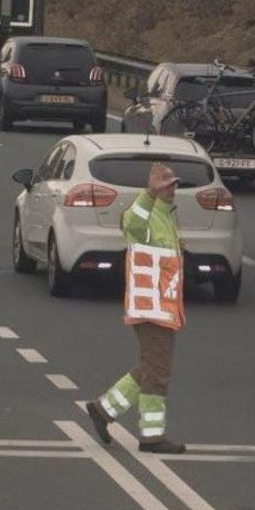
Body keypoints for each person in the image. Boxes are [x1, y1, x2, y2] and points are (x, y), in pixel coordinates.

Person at [84, 162, 188, 453]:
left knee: (151, 368)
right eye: (167, 185)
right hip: (150, 308)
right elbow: (132, 223)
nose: (172, 190)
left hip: (163, 309)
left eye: (173, 185)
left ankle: (103, 410)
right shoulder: (147, 213)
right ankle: (151, 436)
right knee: (158, 372)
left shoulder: (167, 217)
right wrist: (149, 194)